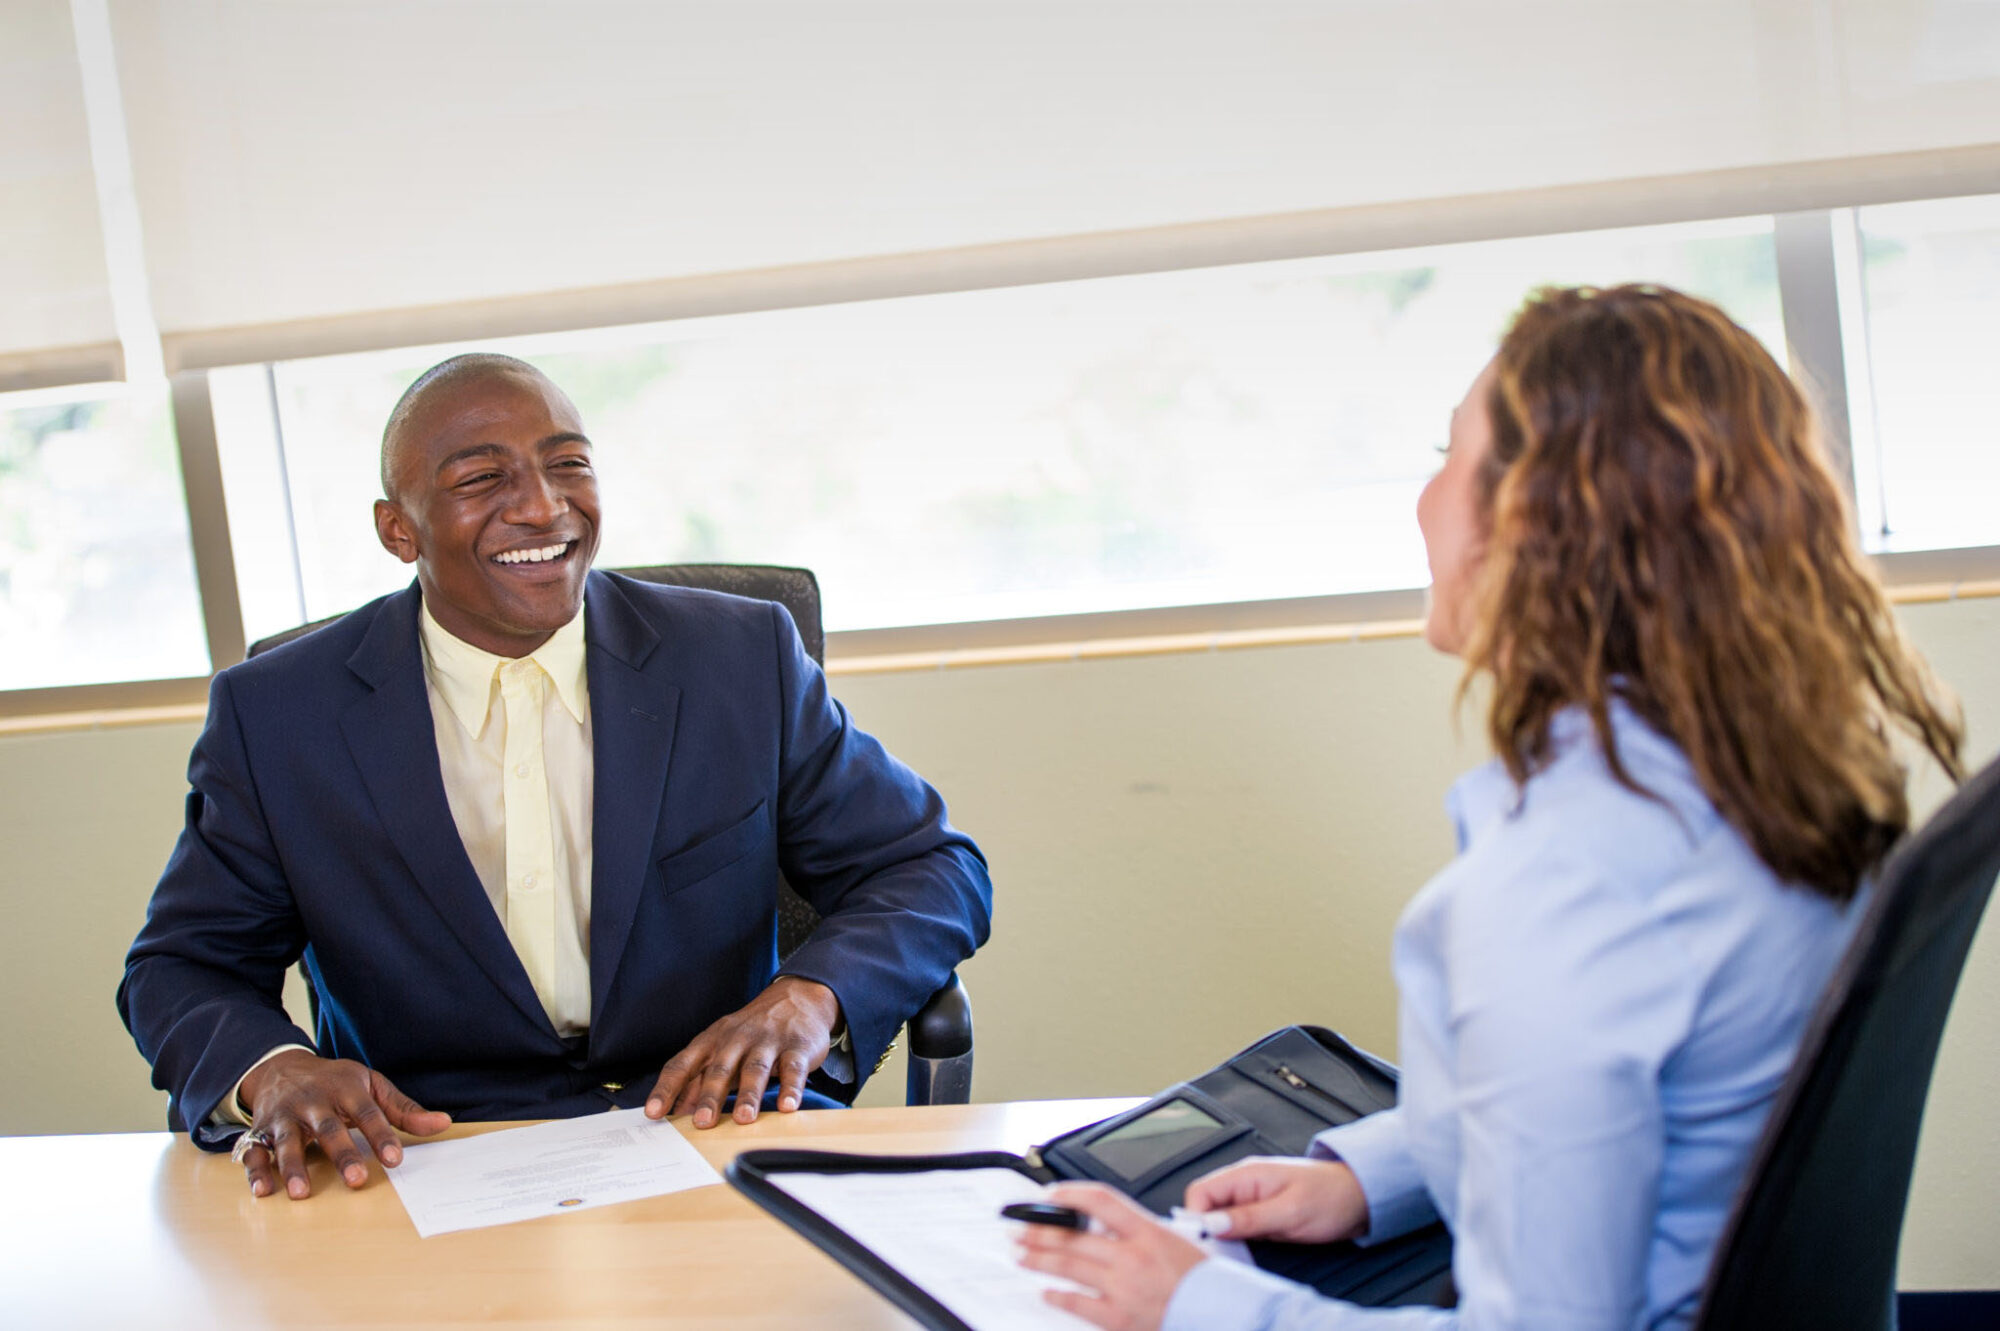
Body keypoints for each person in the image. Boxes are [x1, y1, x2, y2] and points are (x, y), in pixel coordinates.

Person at [1015, 284, 1963, 1330]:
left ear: (1537, 523)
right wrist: (1364, 1177)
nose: (1421, 502)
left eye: (1445, 457)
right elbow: (1648, 1111)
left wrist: (1200, 1304)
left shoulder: (1557, 894)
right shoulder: (1775, 788)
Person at [119, 353, 992, 1202]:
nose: (543, 507)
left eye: (567, 464)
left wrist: (812, 997)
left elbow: (931, 867)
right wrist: (276, 1070)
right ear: (399, 529)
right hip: (424, 1155)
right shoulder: (280, 716)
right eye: (480, 478)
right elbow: (182, 965)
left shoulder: (739, 659)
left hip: (714, 1132)